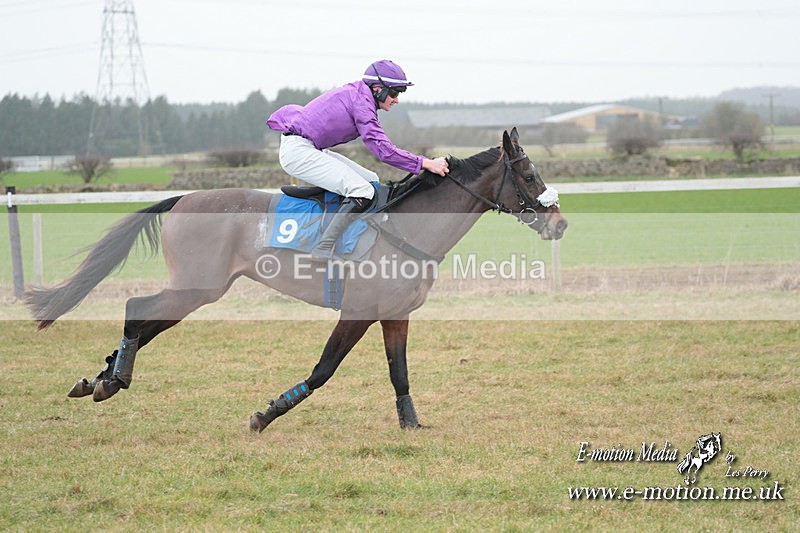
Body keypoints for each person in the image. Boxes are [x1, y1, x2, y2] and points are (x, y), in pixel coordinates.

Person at [266, 59, 449, 262]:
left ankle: (357, 236)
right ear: (378, 88)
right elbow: (383, 151)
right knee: (362, 191)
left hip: (307, 147)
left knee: (371, 180)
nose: (397, 99)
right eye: (395, 92)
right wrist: (425, 163)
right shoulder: (362, 104)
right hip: (298, 152)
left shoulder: (361, 96)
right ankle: (323, 247)